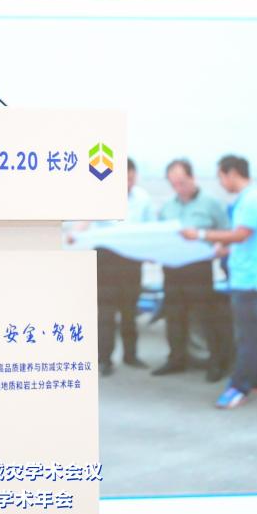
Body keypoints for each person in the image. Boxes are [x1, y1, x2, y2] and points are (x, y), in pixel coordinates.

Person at [181, 155, 257, 409]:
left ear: (232, 173)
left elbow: (241, 234)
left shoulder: (252, 199)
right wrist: (225, 249)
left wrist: (200, 234)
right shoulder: (250, 198)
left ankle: (239, 388)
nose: (221, 183)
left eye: (221, 177)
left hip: (249, 280)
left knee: (246, 337)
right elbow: (245, 240)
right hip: (253, 277)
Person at [153, 159, 232, 382]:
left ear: (192, 177)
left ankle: (216, 362)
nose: (178, 188)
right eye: (173, 184)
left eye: (182, 182)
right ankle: (176, 359)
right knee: (174, 317)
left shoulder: (211, 204)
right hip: (172, 268)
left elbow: (227, 233)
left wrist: (219, 248)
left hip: (199, 269)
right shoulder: (168, 207)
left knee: (205, 317)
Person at [96, 158, 154, 376]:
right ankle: (104, 359)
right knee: (106, 315)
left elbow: (151, 229)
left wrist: (152, 252)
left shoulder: (143, 198)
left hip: (131, 262)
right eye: (124, 179)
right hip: (106, 263)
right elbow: (86, 227)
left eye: (131, 178)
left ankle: (131, 355)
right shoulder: (100, 197)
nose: (128, 183)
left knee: (130, 311)